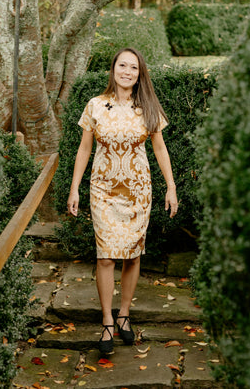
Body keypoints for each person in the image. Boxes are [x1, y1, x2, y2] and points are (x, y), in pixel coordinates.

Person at [67, 47, 178, 355]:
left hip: (138, 191)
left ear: (140, 74)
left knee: (132, 255)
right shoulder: (95, 105)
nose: (127, 71)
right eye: (122, 65)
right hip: (102, 189)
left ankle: (124, 315)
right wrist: (74, 188)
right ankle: (106, 320)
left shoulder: (148, 107)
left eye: (134, 67)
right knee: (105, 256)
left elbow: (160, 149)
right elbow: (83, 150)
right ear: (113, 69)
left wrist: (171, 187)